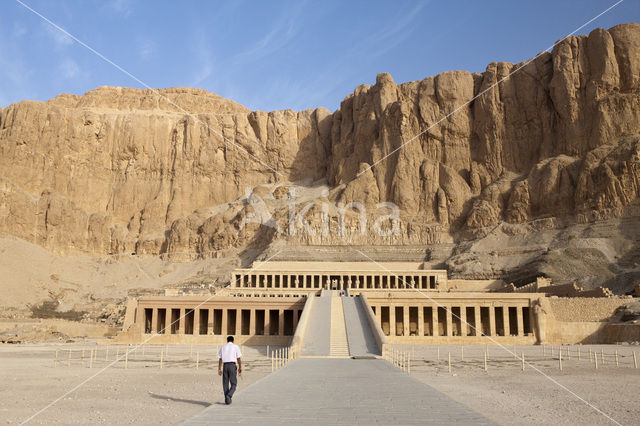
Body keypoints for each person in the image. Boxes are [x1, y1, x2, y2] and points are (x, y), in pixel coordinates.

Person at [218, 336, 242, 405]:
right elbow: (239, 359)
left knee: (225, 383)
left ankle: (227, 399)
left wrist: (219, 369)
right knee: (234, 383)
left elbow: (220, 359)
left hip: (225, 366)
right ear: (233, 341)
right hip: (232, 365)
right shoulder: (236, 347)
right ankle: (229, 395)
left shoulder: (223, 347)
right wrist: (240, 367)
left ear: (227, 341)